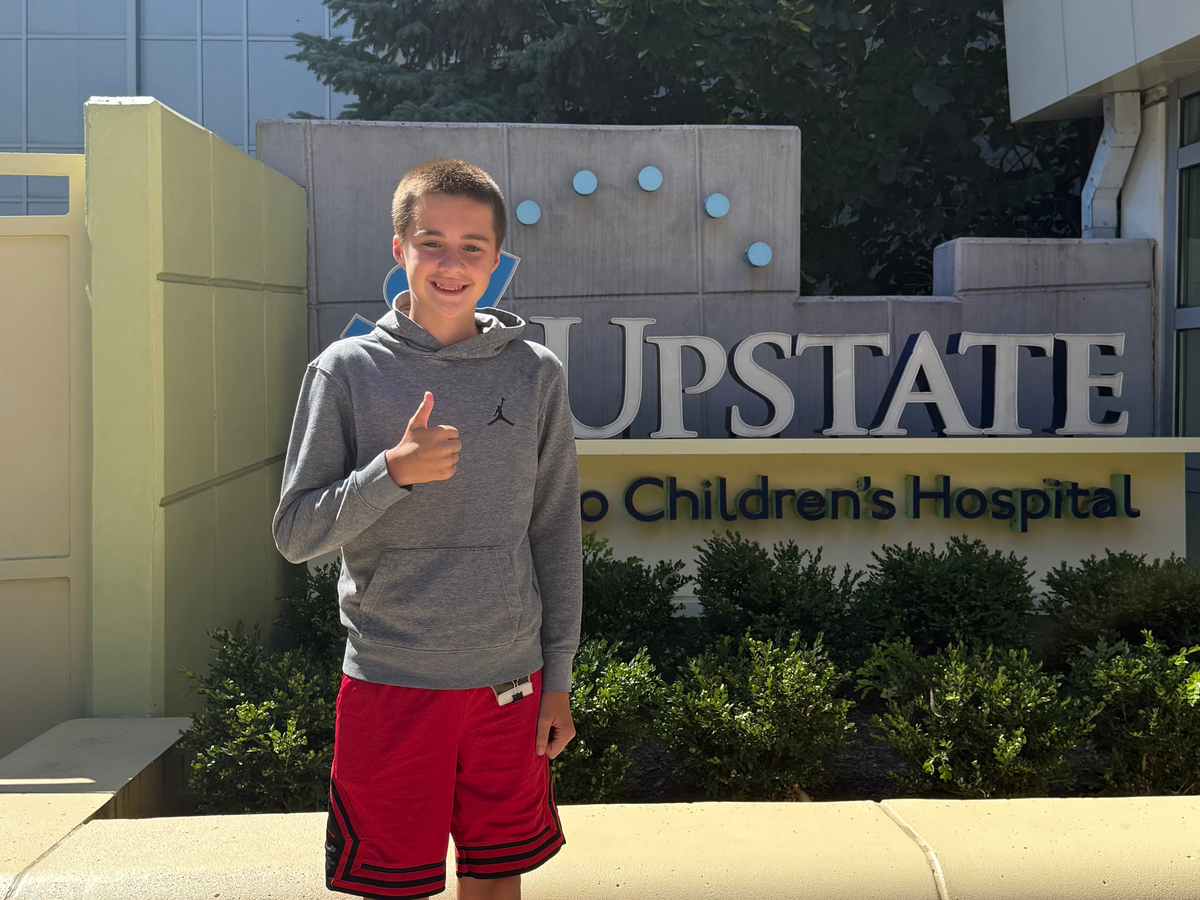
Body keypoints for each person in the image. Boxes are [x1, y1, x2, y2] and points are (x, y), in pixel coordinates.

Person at [273, 157, 582, 900]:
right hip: (392, 683)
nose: (452, 263)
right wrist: (391, 472)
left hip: (510, 682)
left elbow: (554, 532)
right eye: (431, 242)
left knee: (496, 878)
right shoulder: (345, 370)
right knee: (392, 886)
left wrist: (558, 679)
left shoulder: (535, 373)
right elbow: (296, 533)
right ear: (399, 249)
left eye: (473, 246)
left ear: (498, 259)